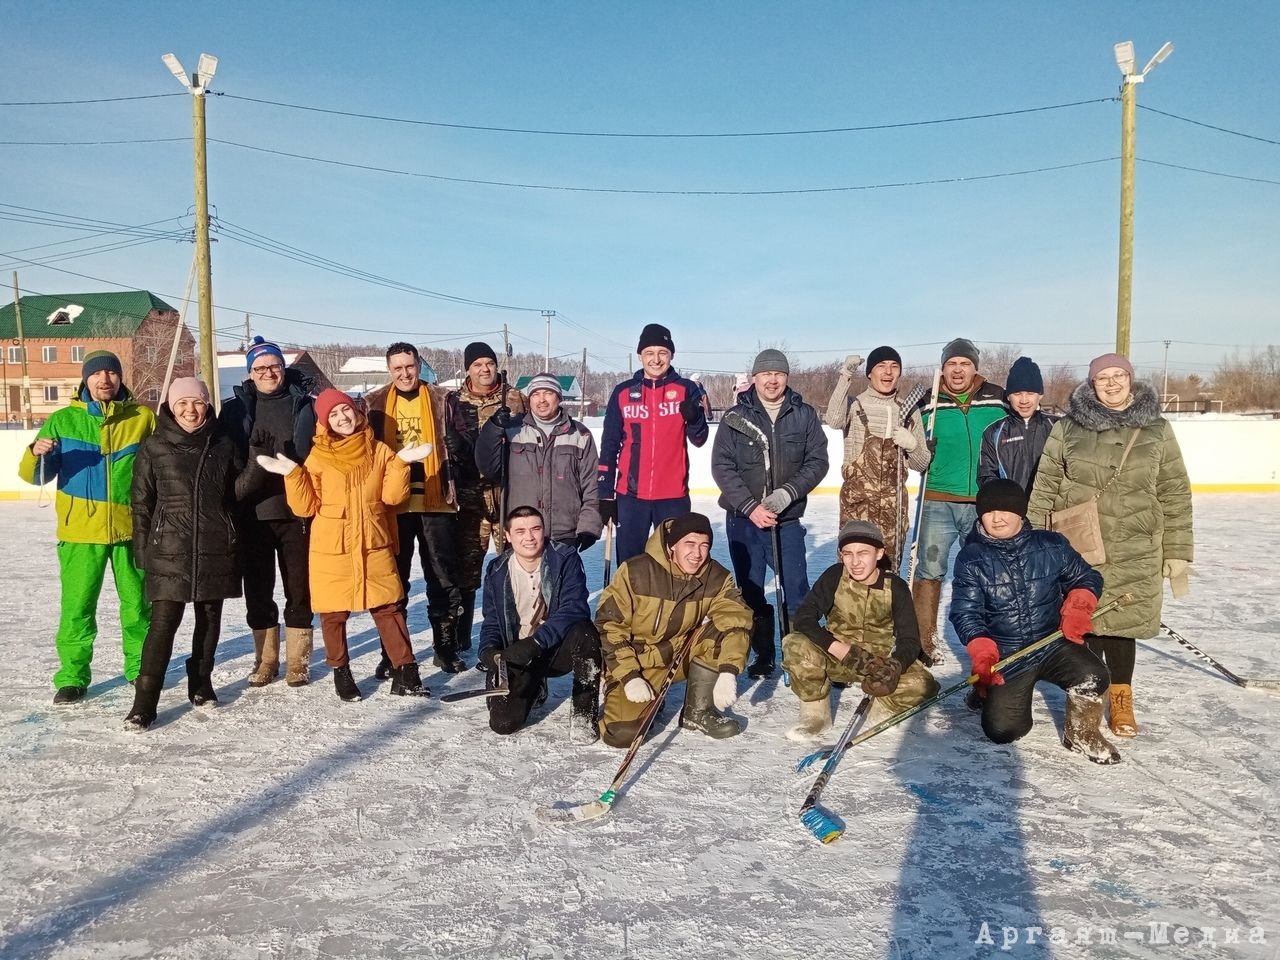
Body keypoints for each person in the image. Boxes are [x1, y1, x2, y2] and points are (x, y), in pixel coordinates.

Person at [1028, 353, 1192, 738]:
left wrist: (1178, 550)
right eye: (1104, 377)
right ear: (1092, 383)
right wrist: (1034, 542)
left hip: (1137, 543)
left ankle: (1121, 699)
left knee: (1122, 626)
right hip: (1080, 544)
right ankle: (1086, 699)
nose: (1113, 383)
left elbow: (1175, 491)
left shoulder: (1157, 429)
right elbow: (1046, 485)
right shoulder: (1068, 427)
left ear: (1131, 380)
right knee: (1082, 623)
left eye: (1119, 376)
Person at [262, 388, 432, 701]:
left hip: (372, 541)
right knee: (333, 614)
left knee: (389, 608)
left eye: (346, 410)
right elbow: (306, 507)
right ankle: (341, 672)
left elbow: (393, 497)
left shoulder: (378, 451)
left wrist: (400, 463)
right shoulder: (317, 457)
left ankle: (406, 672)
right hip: (333, 546)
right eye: (334, 414)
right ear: (324, 422)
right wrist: (292, 475)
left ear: (356, 412)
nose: (342, 418)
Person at [18, 350, 156, 703]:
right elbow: (36, 476)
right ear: (86, 379)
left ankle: (140, 669)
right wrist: (35, 453)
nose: (105, 379)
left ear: (120, 378)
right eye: (97, 374)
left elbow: (163, 468)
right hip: (79, 532)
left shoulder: (142, 418)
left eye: (111, 372)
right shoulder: (63, 420)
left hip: (131, 530)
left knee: (138, 607)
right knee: (78, 608)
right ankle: (72, 677)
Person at [950, 479, 1119, 763]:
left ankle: (1080, 733)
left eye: (1005, 510)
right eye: (989, 512)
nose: (997, 517)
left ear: (1021, 512)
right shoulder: (971, 558)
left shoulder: (1051, 545)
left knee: (1094, 674)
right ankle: (985, 692)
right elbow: (966, 612)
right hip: (1008, 653)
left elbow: (1087, 577)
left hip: (1052, 643)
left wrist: (1078, 606)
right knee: (1003, 730)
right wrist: (982, 649)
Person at [125, 378, 252, 730]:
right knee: (163, 625)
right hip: (169, 549)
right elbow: (141, 503)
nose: (190, 410)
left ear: (207, 405)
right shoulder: (154, 446)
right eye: (182, 403)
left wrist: (255, 463)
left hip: (214, 545)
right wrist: (142, 550)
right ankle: (144, 703)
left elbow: (236, 494)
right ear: (170, 406)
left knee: (209, 619)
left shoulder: (223, 444)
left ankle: (201, 684)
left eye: (197, 403)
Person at [712, 348, 829, 678]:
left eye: (779, 374)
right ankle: (762, 654)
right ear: (755, 378)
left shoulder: (803, 414)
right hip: (743, 522)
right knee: (750, 591)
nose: (772, 380)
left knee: (796, 589)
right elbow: (722, 466)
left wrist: (787, 494)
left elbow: (817, 461)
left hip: (786, 520)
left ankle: (799, 655)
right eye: (766, 374)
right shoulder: (736, 418)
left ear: (787, 377)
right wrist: (751, 508)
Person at [594, 513, 752, 747]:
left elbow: (736, 619)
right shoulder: (636, 572)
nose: (697, 554)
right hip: (639, 661)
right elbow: (609, 627)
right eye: (689, 544)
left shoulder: (717, 577)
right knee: (622, 734)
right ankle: (630, 694)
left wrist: (728, 670)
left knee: (726, 627)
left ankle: (698, 711)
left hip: (679, 655)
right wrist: (629, 676)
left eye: (704, 545)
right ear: (672, 546)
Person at [218, 335, 317, 689]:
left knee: (300, 588)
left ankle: (298, 661)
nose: (268, 372)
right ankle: (266, 659)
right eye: (260, 368)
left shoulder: (305, 405)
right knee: (258, 589)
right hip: (252, 513)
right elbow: (223, 460)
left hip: (296, 512)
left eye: (274, 365)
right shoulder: (235, 409)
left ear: (283, 367)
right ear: (250, 373)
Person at [782, 520, 939, 740]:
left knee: (923, 685)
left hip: (876, 662)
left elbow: (909, 640)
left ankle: (883, 707)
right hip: (835, 657)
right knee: (795, 643)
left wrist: (893, 667)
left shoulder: (895, 587)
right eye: (848, 554)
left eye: (863, 553)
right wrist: (836, 647)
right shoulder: (835, 576)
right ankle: (816, 715)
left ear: (879, 553)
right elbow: (804, 618)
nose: (855, 562)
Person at [364, 342, 467, 674]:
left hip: (437, 501)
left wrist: (459, 446)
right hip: (394, 502)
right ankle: (392, 651)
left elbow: (465, 443)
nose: (405, 373)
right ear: (389, 370)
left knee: (442, 576)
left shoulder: (442, 400)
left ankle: (445, 646)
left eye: (410, 366)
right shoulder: (374, 404)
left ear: (419, 365)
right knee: (394, 579)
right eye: (398, 368)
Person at [911, 338, 1006, 661]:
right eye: (952, 364)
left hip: (984, 502)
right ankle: (924, 642)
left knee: (987, 572)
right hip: (937, 499)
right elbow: (911, 451)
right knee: (929, 570)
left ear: (975, 368)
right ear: (943, 368)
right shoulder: (927, 401)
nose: (958, 370)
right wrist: (921, 449)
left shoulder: (998, 399)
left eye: (964, 364)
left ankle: (990, 644)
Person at [477, 506, 602, 741]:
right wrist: (489, 651)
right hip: (517, 653)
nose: (529, 537)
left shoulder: (564, 558)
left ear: (543, 531)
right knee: (503, 723)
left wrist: (536, 642)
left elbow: (574, 608)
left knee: (585, 633)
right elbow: (492, 619)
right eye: (520, 531)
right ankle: (534, 687)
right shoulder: (497, 569)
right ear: (507, 535)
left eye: (535, 529)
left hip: (553, 648)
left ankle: (584, 714)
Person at [598, 323, 709, 562]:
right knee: (631, 564)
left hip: (673, 496)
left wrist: (695, 417)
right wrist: (605, 493)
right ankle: (629, 601)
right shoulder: (623, 392)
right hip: (630, 496)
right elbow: (609, 444)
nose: (656, 360)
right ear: (640, 356)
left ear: (671, 355)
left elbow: (699, 439)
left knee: (673, 564)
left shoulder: (686, 389)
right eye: (649, 353)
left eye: (662, 353)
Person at [446, 341, 527, 655]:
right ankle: (461, 635)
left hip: (508, 495)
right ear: (468, 369)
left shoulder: (515, 399)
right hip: (470, 500)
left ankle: (512, 633)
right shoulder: (454, 402)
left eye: (489, 363)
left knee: (512, 568)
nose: (484, 369)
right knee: (466, 571)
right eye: (477, 364)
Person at [825, 346, 931, 569]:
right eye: (881, 366)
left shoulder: (909, 410)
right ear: (869, 373)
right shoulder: (855, 406)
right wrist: (846, 374)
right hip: (858, 511)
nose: (888, 372)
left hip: (893, 513)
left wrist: (912, 445)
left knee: (888, 578)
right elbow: (834, 419)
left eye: (894, 367)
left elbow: (920, 464)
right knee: (852, 575)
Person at [476, 372, 602, 549]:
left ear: (558, 398)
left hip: (564, 533)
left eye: (548, 393)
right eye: (535, 394)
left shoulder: (579, 435)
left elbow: (592, 485)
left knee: (562, 577)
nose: (541, 400)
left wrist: (589, 526)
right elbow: (488, 467)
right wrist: (493, 427)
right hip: (522, 531)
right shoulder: (513, 430)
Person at [978, 356, 1057, 495]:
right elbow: (987, 476)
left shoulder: (1057, 426)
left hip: (1050, 510)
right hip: (1011, 511)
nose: (1024, 400)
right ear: (1008, 396)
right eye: (1017, 393)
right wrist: (1007, 504)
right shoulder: (994, 432)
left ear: (1040, 395)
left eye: (1031, 393)